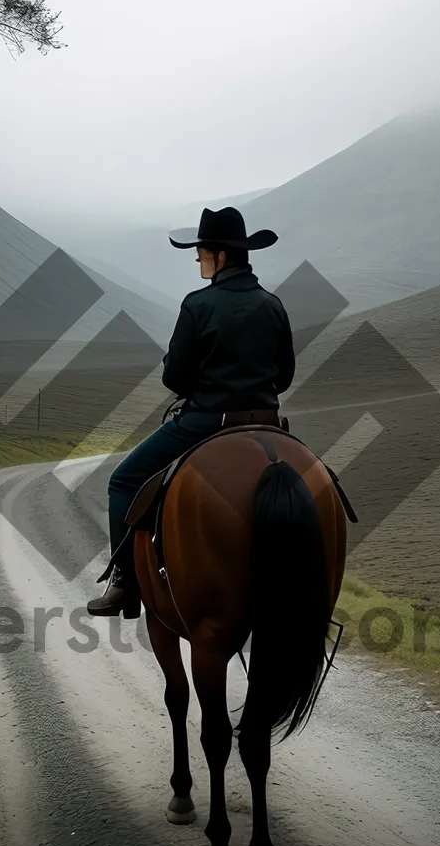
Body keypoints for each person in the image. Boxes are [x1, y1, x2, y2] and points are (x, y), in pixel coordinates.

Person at [87, 205, 295, 617]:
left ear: (219, 256)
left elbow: (175, 379)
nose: (197, 259)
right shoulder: (273, 305)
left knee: (123, 481)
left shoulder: (198, 305)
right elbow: (284, 377)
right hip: (269, 426)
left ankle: (125, 583)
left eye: (201, 252)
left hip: (207, 424)